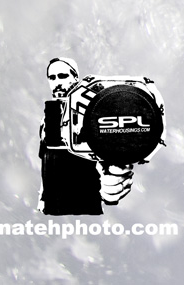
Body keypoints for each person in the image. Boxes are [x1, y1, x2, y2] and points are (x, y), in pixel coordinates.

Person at [38, 57, 134, 215]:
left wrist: (112, 183)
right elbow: (46, 160)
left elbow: (114, 157)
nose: (57, 82)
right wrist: (42, 200)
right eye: (52, 78)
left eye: (62, 76)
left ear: (75, 78)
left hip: (84, 209)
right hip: (53, 211)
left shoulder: (95, 111)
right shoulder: (50, 115)